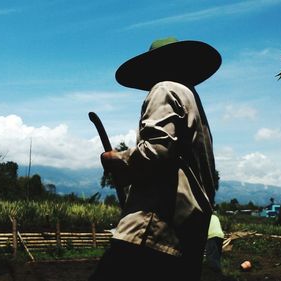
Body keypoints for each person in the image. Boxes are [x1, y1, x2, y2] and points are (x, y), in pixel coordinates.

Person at [89, 37, 221, 281]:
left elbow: (156, 150)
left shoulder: (165, 88)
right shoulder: (192, 99)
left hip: (154, 229)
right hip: (186, 234)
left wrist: (116, 159)